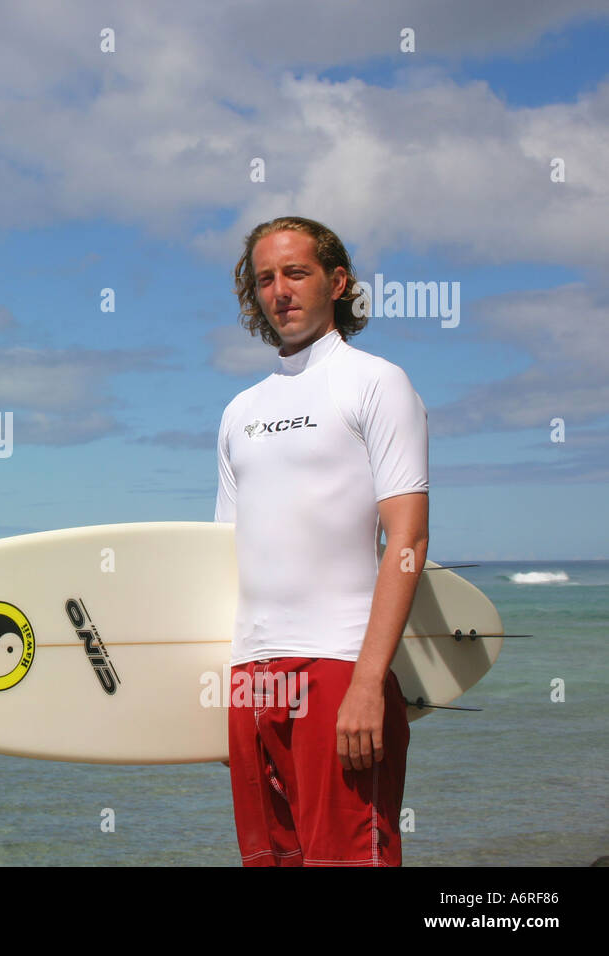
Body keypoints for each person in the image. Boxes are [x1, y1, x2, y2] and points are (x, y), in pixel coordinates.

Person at [214, 216, 429, 866]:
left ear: (337, 281)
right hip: (251, 679)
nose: (280, 290)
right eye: (265, 279)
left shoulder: (375, 382)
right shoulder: (238, 412)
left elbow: (407, 540)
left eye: (296, 272)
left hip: (336, 667)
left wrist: (369, 681)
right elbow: (222, 559)